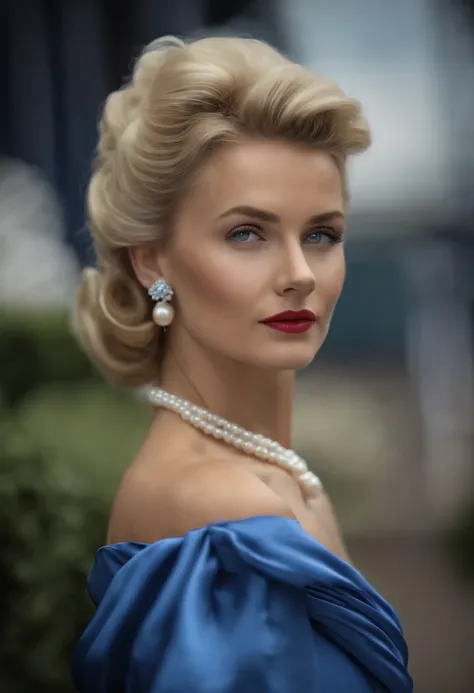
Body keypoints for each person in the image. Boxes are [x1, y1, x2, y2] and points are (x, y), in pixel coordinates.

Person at [70, 35, 413, 693]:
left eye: (322, 234)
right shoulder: (219, 512)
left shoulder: (276, 475)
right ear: (153, 259)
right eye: (246, 233)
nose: (298, 275)